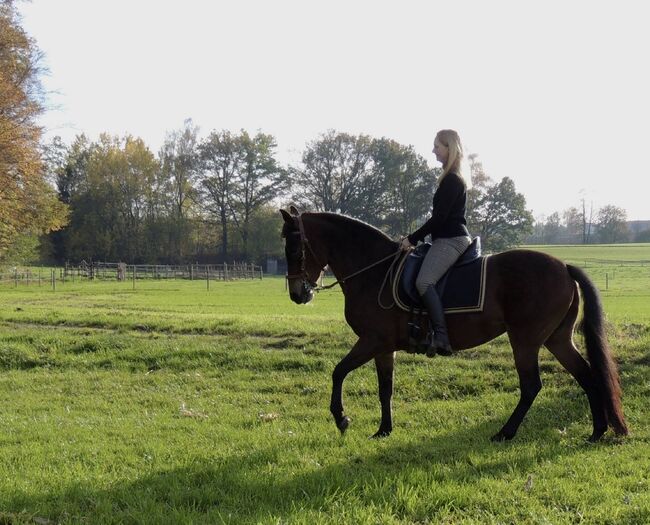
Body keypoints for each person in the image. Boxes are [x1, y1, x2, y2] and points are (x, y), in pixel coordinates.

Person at [400, 129, 471, 356]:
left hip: (451, 239)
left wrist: (412, 238)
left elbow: (440, 218)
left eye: (437, 146)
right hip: (446, 238)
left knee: (424, 282)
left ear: (450, 148)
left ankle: (441, 335)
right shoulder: (451, 178)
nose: (433, 151)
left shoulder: (452, 180)